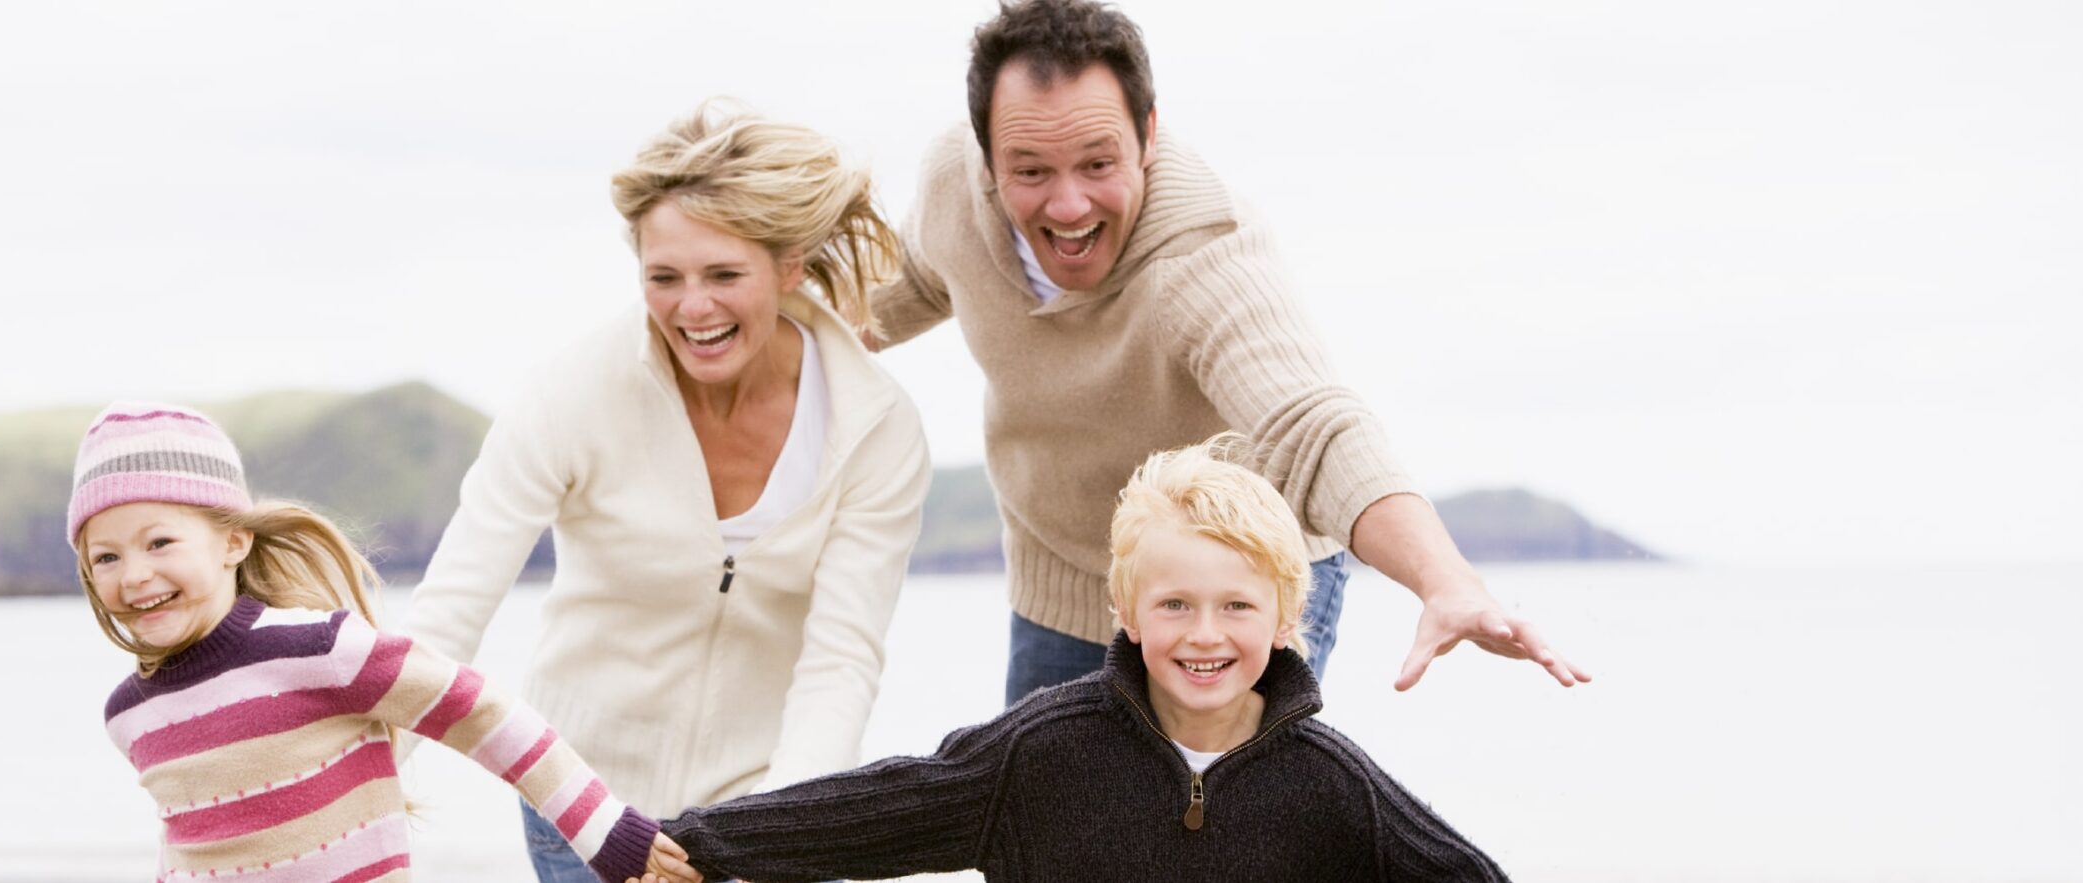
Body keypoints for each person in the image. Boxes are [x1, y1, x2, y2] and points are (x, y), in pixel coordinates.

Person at [868, 0, 1588, 702]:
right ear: (986, 159)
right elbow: (899, 289)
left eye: (1097, 164)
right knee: (1051, 816)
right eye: (1030, 172)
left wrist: (1446, 580)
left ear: (1148, 135)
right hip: (1067, 569)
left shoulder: (1204, 258)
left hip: (1234, 581)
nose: (1067, 206)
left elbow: (1315, 426)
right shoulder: (951, 191)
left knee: (1214, 810)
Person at [404, 101, 931, 883]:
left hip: (757, 812)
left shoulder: (874, 427)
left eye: (724, 274)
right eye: (665, 277)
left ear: (788, 267)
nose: (694, 308)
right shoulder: (572, 395)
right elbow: (448, 615)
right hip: (584, 809)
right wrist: (340, 787)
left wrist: (770, 841)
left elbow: (840, 662)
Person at [655, 432, 1507, 881]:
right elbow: (881, 808)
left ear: (1288, 617)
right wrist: (697, 842)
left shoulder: (1332, 785)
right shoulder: (1041, 752)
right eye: (1174, 603)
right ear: (1125, 611)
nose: (1204, 633)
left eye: (1237, 606)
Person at [66, 402, 694, 883]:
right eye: (106, 556)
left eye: (160, 542)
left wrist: (604, 830)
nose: (135, 575)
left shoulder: (318, 650)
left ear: (233, 542)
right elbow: (185, 850)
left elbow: (486, 714)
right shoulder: (130, 716)